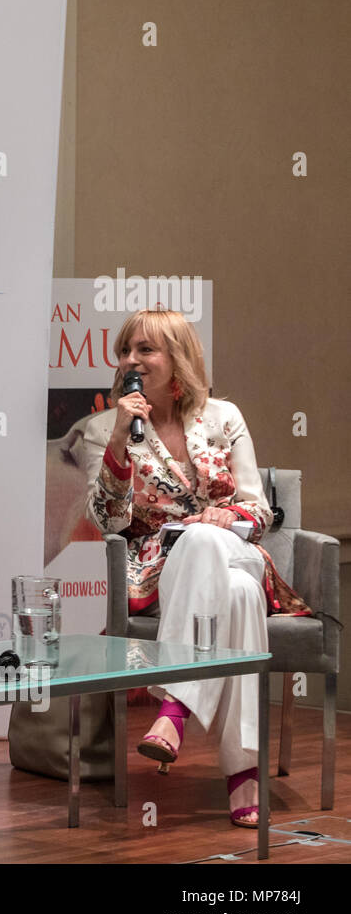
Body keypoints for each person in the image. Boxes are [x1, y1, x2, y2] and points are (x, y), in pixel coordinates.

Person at [78, 308, 275, 827]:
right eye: (125, 350)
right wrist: (121, 435)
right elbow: (110, 521)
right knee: (238, 597)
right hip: (162, 570)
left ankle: (174, 710)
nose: (131, 361)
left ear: (176, 358)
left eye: (145, 350)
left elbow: (259, 509)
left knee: (210, 542)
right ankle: (243, 773)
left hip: (235, 548)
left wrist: (222, 516)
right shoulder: (106, 427)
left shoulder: (223, 416)